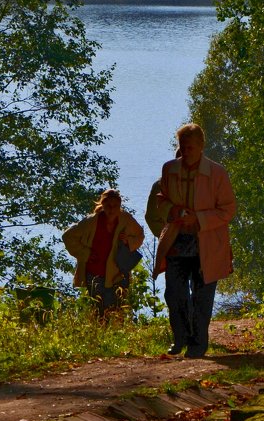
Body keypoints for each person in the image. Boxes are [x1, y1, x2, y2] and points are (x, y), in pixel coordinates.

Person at [146, 123, 236, 357]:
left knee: (202, 297)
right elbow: (161, 199)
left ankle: (198, 344)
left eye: (191, 148)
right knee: (174, 294)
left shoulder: (217, 173)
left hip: (206, 243)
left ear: (202, 146)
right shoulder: (170, 169)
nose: (186, 152)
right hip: (177, 242)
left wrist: (200, 219)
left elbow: (228, 210)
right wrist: (173, 212)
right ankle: (180, 339)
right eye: (182, 147)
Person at [63, 188, 145, 314]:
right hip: (95, 273)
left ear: (120, 206)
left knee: (117, 312)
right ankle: (99, 333)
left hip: (118, 274)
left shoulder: (126, 219)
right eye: (108, 205)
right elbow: (68, 236)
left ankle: (115, 333)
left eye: (115, 206)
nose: (111, 209)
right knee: (99, 311)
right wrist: (85, 253)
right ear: (102, 205)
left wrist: (128, 240)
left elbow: (140, 235)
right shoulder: (91, 221)